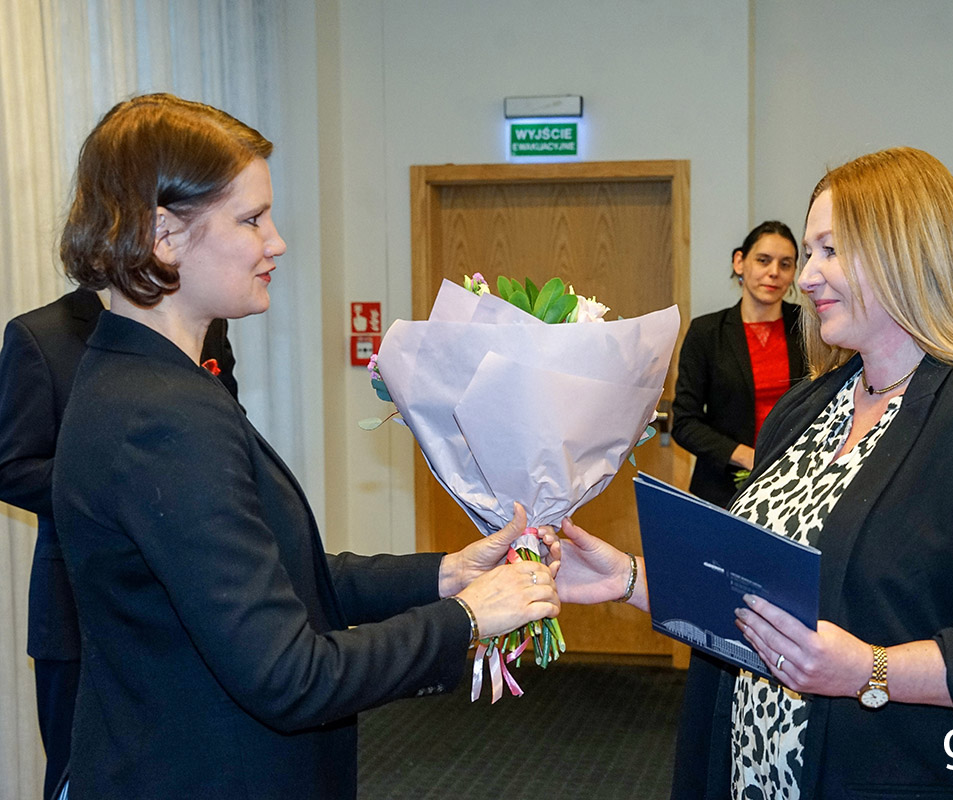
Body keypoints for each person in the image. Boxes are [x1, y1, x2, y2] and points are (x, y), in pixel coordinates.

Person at [554, 147, 953, 799]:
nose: (805, 277)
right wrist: (631, 579)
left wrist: (871, 671)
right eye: (809, 252)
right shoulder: (805, 408)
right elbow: (756, 593)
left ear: (907, 254)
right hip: (755, 772)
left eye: (830, 250)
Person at [50, 93, 559, 799]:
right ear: (163, 235)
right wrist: (467, 619)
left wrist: (445, 575)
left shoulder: (140, 378)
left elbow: (274, 580)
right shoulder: (161, 415)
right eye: (252, 219)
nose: (277, 241)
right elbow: (289, 676)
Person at [0, 288, 236, 800]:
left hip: (192, 596)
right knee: (80, 776)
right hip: (76, 607)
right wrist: (120, 481)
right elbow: (11, 468)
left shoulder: (208, 324)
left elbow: (228, 436)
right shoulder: (39, 335)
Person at [671, 221, 807, 508]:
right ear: (740, 262)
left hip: (797, 485)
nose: (774, 272)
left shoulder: (810, 329)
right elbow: (684, 423)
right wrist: (747, 456)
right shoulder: (707, 332)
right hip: (722, 492)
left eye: (785, 264)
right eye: (763, 260)